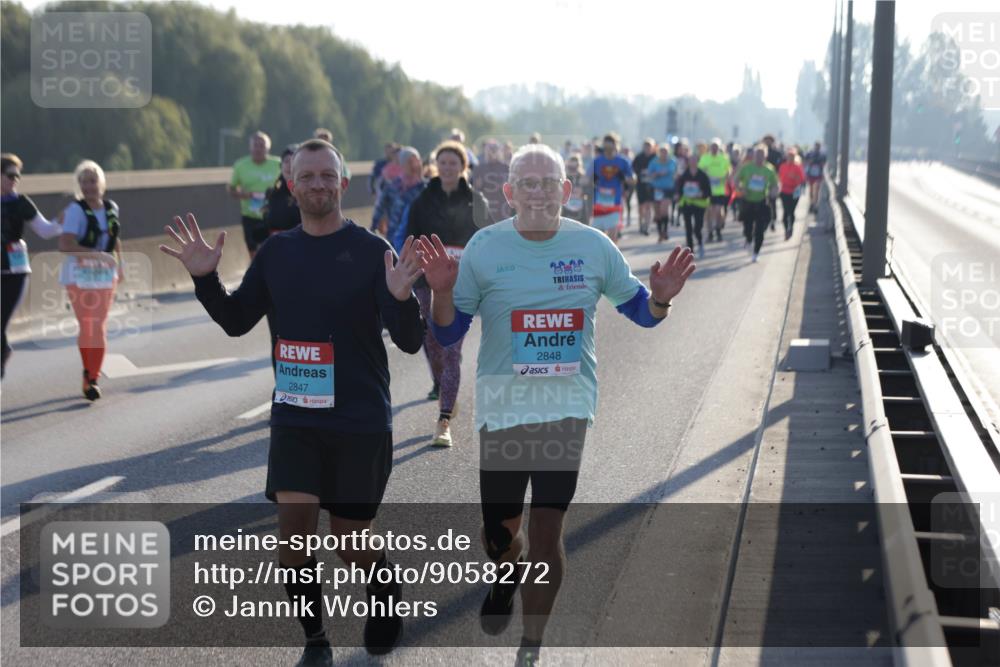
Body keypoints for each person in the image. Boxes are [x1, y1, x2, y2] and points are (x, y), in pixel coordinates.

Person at [418, 144, 695, 667]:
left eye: (550, 182)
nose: (539, 191)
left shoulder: (593, 246)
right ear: (508, 193)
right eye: (528, 181)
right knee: (501, 534)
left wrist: (660, 297)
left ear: (568, 191)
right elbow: (449, 329)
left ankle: (532, 643)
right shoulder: (484, 247)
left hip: (566, 406)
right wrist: (441, 292)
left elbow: (641, 310)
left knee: (548, 527)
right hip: (503, 407)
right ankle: (505, 571)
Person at [159, 139, 425, 664]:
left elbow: (412, 341)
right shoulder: (277, 252)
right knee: (294, 540)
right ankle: (316, 641)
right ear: (291, 184)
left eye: (328, 175)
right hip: (296, 418)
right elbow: (237, 322)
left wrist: (400, 300)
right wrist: (204, 278)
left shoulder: (373, 252)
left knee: (351, 543)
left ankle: (385, 591)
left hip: (360, 418)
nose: (318, 184)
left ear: (344, 184)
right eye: (307, 176)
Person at [400, 140, 491, 446]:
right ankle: (441, 384)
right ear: (436, 166)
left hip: (462, 284)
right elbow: (411, 238)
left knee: (451, 349)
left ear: (463, 166)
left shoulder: (476, 200)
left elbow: (487, 239)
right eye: (443, 162)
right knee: (432, 342)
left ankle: (443, 420)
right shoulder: (423, 200)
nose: (448, 167)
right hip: (427, 282)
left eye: (454, 162)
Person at [57, 161, 124, 400]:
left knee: (99, 325)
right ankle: (89, 373)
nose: (88, 186)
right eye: (84, 182)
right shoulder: (75, 211)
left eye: (92, 181)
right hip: (78, 274)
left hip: (106, 275)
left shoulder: (111, 208)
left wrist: (120, 264)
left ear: (101, 183)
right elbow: (65, 244)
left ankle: (92, 378)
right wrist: (95, 255)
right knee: (88, 326)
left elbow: (115, 238)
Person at [1, 153, 62, 378]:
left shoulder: (21, 203)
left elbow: (45, 230)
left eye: (18, 175)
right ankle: (4, 350)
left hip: (15, 271)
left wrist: (63, 222)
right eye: (10, 175)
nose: (15, 179)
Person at [228, 131, 282, 260]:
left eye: (262, 145)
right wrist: (244, 194)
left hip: (271, 214)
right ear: (250, 147)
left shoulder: (278, 164)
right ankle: (258, 274)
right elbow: (231, 189)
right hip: (250, 215)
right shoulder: (240, 165)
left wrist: (276, 195)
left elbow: (288, 184)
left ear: (268, 148)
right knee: (253, 251)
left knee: (271, 249)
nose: (258, 149)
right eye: (255, 145)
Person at [735, 144, 779, 263]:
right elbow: (735, 180)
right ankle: (748, 240)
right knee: (748, 228)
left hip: (761, 201)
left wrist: (773, 192)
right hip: (748, 201)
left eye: (762, 155)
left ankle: (756, 252)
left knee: (760, 230)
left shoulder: (769, 169)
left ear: (765, 156)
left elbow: (775, 185)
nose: (759, 158)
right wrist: (740, 188)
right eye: (757, 155)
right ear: (753, 155)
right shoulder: (746, 167)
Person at [371, 146, 425, 242]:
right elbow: (380, 207)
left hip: (417, 237)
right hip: (394, 235)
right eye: (409, 162)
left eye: (416, 161)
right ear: (402, 164)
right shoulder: (393, 186)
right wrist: (373, 227)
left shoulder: (424, 187)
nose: (413, 165)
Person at [588, 133, 634, 244]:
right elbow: (586, 177)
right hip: (599, 203)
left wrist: (625, 178)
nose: (608, 149)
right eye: (606, 147)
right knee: (598, 236)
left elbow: (632, 179)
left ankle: (612, 258)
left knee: (613, 236)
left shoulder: (622, 161)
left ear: (615, 146)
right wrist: (592, 179)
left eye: (610, 146)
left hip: (615, 202)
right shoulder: (597, 161)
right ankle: (602, 258)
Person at [673, 154, 711, 257]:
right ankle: (690, 251)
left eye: (695, 160)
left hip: (699, 205)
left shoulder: (703, 175)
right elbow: (679, 188)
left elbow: (708, 191)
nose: (693, 162)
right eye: (691, 160)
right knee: (688, 228)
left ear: (697, 162)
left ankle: (700, 243)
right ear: (688, 162)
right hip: (687, 204)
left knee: (697, 228)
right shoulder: (684, 175)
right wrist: (677, 195)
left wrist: (701, 195)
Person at [697, 139, 732, 243]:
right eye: (712, 146)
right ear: (710, 147)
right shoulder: (705, 157)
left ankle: (718, 231)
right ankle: (710, 232)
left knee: (718, 212)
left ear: (719, 147)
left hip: (720, 190)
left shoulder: (723, 158)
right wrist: (706, 176)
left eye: (716, 146)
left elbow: (728, 170)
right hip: (708, 190)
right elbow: (700, 170)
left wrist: (724, 178)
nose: (714, 148)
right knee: (708, 212)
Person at [263, 145, 302, 236]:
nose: (290, 165)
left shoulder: (309, 193)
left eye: (294, 161)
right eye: (286, 161)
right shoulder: (271, 193)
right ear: (281, 166)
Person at [474, 140, 513, 224]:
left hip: (503, 206)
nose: (492, 153)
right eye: (490, 150)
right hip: (486, 206)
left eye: (494, 150)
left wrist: (504, 186)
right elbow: (474, 189)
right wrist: (478, 186)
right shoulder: (479, 168)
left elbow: (512, 186)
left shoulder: (506, 167)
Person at [646, 144, 677, 242]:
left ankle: (665, 230)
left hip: (667, 189)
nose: (664, 154)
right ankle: (660, 233)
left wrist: (658, 173)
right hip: (656, 189)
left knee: (664, 210)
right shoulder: (654, 162)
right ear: (659, 153)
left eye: (666, 152)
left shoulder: (672, 161)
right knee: (658, 213)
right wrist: (655, 174)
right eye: (662, 152)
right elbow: (649, 174)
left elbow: (671, 171)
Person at [777, 147, 806, 240]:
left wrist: (795, 178)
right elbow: (779, 178)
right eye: (789, 156)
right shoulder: (782, 166)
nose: (790, 158)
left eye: (792, 156)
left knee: (791, 211)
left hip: (795, 192)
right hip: (785, 191)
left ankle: (791, 228)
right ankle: (787, 230)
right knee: (786, 212)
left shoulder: (798, 167)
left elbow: (802, 180)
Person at [632, 139, 657, 236]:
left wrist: (652, 173)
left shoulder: (655, 157)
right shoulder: (638, 157)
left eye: (649, 146)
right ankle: (641, 224)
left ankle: (647, 226)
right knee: (641, 206)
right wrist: (641, 171)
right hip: (640, 185)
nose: (647, 148)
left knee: (648, 206)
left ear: (652, 147)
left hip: (651, 185)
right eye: (646, 146)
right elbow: (633, 168)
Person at [562, 153, 591, 225]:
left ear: (579, 166)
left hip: (581, 210)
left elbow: (590, 192)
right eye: (570, 168)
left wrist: (582, 191)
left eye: (575, 168)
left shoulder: (584, 178)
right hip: (566, 209)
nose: (573, 171)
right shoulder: (563, 178)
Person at [804, 141, 826, 212]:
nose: (817, 147)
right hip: (811, 174)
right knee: (810, 189)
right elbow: (806, 162)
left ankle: (815, 204)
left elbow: (823, 164)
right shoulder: (810, 154)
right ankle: (811, 202)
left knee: (816, 190)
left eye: (818, 146)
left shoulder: (822, 155)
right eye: (816, 146)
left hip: (818, 175)